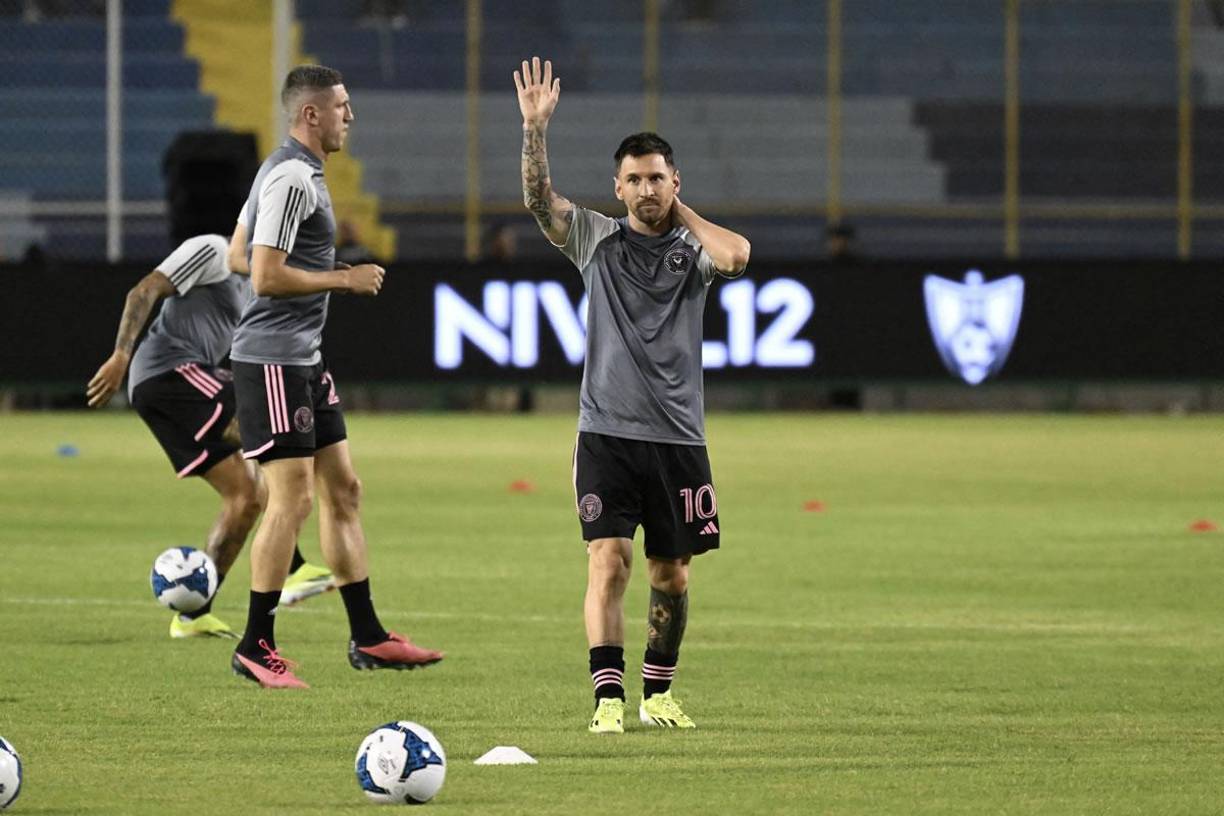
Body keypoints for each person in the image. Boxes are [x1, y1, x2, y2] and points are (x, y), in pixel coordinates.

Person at [514, 56, 750, 733]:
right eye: (634, 180)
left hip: (679, 439)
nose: (645, 188)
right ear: (616, 189)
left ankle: (659, 693)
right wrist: (535, 131)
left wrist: (681, 212)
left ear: (674, 182)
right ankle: (608, 701)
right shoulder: (596, 239)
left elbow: (736, 256)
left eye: (656, 178)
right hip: (606, 435)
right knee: (608, 560)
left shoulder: (695, 252)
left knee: (672, 575)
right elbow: (538, 202)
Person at [228, 64, 442, 688]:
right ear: (311, 115)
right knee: (291, 499)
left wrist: (313, 274)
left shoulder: (279, 170)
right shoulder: (293, 178)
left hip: (302, 358)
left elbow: (238, 254)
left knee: (343, 489)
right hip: (272, 359)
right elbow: (263, 274)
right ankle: (254, 644)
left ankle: (369, 637)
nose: (351, 115)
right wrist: (341, 278)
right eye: (343, 106)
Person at [86, 219, 335, 640]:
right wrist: (120, 356)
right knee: (275, 435)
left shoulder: (259, 282)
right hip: (169, 373)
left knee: (245, 498)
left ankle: (193, 614)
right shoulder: (211, 250)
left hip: (183, 383)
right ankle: (292, 571)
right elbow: (143, 290)